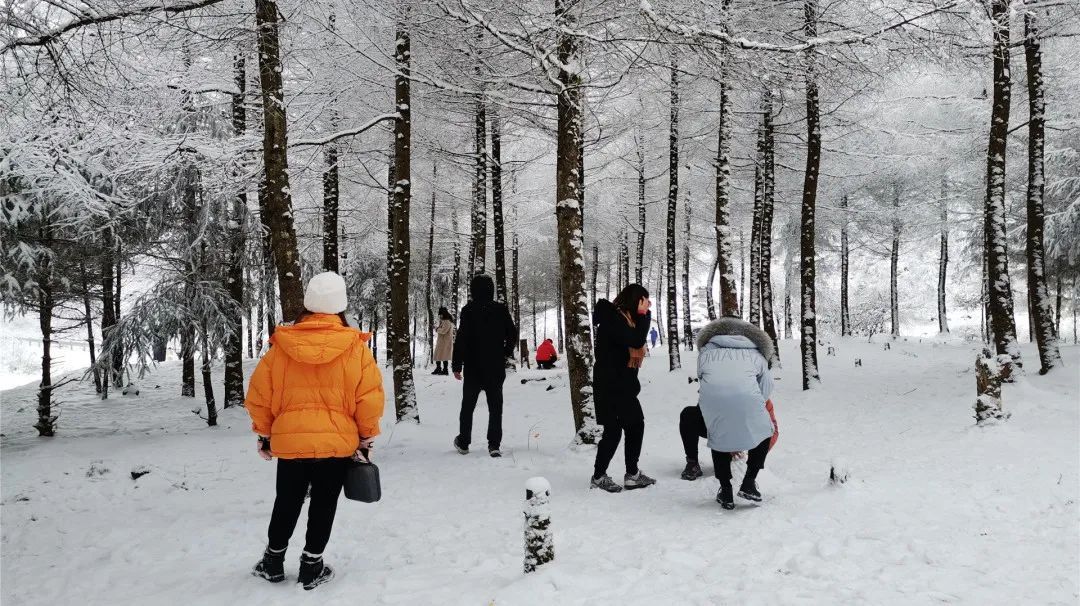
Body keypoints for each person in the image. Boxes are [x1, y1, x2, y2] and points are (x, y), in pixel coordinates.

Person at [246, 272, 385, 590]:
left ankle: (272, 561)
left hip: (292, 442)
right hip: (335, 445)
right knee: (324, 503)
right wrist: (365, 437)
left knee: (287, 500)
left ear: (307, 304)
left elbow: (259, 396)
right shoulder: (355, 348)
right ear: (340, 307)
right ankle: (311, 566)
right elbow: (369, 398)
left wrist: (265, 433)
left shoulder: (281, 346)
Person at [678, 314, 777, 510]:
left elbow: (706, 383)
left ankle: (725, 489)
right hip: (748, 405)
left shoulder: (705, 353)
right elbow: (766, 388)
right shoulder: (758, 355)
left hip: (713, 408)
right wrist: (752, 402)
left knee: (719, 428)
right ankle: (749, 483)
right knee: (766, 430)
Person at [590, 284, 656, 493]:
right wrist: (646, 316)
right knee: (614, 431)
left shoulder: (624, 319)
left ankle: (631, 474)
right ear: (636, 300)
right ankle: (601, 476)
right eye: (644, 300)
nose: (647, 304)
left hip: (622, 386)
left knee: (633, 425)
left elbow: (633, 340)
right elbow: (635, 339)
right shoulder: (613, 319)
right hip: (610, 386)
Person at [452, 274, 517, 458]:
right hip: (495, 366)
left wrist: (457, 364)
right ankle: (494, 445)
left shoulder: (468, 310)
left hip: (473, 367)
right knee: (495, 406)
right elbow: (512, 333)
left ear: (473, 289)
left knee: (468, 405)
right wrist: (505, 352)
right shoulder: (500, 310)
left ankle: (464, 441)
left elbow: (462, 339)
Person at [433, 307, 455, 375]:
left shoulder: (447, 321)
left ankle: (445, 370)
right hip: (443, 341)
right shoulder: (445, 321)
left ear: (444, 314)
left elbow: (443, 331)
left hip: (445, 341)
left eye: (441, 314)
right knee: (439, 354)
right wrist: (437, 327)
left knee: (444, 355)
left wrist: (436, 329)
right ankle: (438, 368)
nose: (440, 316)